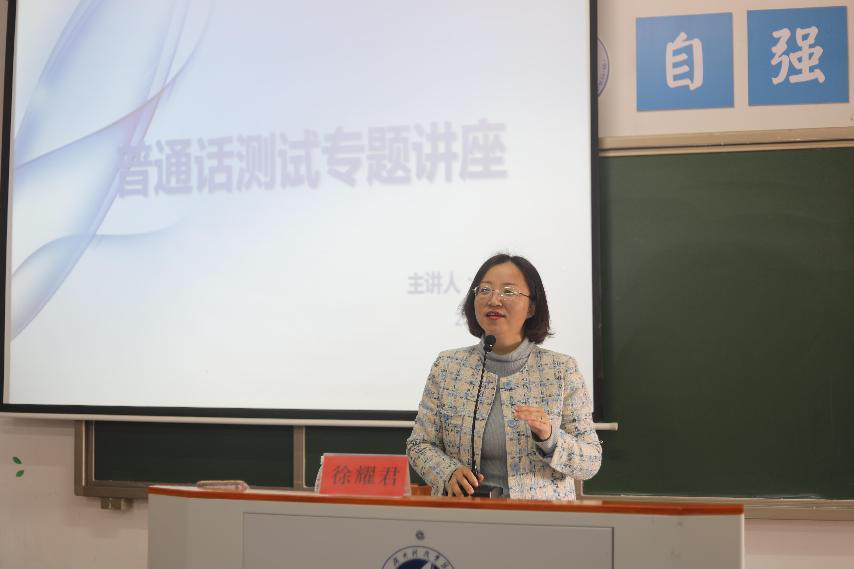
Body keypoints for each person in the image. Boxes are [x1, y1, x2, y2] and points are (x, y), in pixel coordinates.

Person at [406, 253, 601, 499]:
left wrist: (550, 438)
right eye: (485, 290)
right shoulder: (448, 366)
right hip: (463, 514)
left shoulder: (561, 370)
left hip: (540, 517)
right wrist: (448, 472)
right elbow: (419, 444)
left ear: (532, 307)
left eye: (508, 292)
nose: (494, 300)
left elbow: (591, 461)